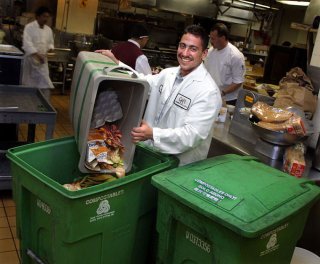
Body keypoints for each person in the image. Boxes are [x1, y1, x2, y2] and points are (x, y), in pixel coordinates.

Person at [96, 25, 222, 166]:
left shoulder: (208, 91)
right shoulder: (168, 74)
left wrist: (153, 134)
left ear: (204, 54)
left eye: (193, 49)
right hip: (152, 154)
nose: (185, 53)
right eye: (182, 46)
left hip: (179, 165)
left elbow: (192, 135)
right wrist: (117, 63)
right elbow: (141, 81)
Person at [205, 23, 245, 105]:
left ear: (223, 38)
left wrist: (222, 93)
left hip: (228, 99)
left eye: (213, 39)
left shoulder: (235, 56)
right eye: (210, 38)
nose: (211, 42)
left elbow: (238, 82)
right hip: (211, 96)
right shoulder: (210, 52)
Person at [22, 6, 54, 101]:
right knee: (29, 85)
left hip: (42, 63)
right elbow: (27, 44)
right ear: (37, 17)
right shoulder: (29, 27)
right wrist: (36, 54)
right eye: (44, 16)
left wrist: (49, 49)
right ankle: (28, 105)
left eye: (47, 17)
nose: (46, 19)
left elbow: (51, 43)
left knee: (45, 84)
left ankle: (44, 106)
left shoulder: (48, 30)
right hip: (31, 61)